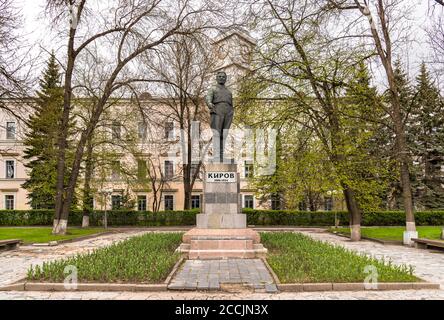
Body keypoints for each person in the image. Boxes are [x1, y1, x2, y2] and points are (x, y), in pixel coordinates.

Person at [205, 71, 233, 161]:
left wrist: (231, 111)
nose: (221, 78)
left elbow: (231, 103)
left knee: (224, 134)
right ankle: (216, 156)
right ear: (216, 78)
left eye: (223, 77)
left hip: (228, 112)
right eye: (219, 76)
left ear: (226, 78)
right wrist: (209, 104)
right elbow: (208, 98)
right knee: (217, 134)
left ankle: (222, 155)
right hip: (217, 110)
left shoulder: (229, 91)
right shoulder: (213, 89)